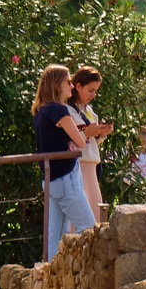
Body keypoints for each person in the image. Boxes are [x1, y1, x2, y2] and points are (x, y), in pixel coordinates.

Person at [35, 64, 95, 257]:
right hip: (65, 178)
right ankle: (77, 271)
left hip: (51, 179)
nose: (71, 85)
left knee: (55, 236)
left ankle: (52, 276)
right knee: (88, 228)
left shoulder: (41, 111)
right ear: (56, 85)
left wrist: (69, 139)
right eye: (68, 81)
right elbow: (80, 141)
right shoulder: (59, 110)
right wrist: (76, 137)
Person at [69, 67, 114, 216]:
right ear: (78, 86)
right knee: (80, 214)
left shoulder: (89, 111)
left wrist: (101, 134)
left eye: (95, 91)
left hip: (92, 165)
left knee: (95, 212)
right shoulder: (67, 111)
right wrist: (87, 133)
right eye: (90, 90)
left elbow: (91, 143)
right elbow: (70, 140)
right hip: (77, 165)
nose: (93, 95)